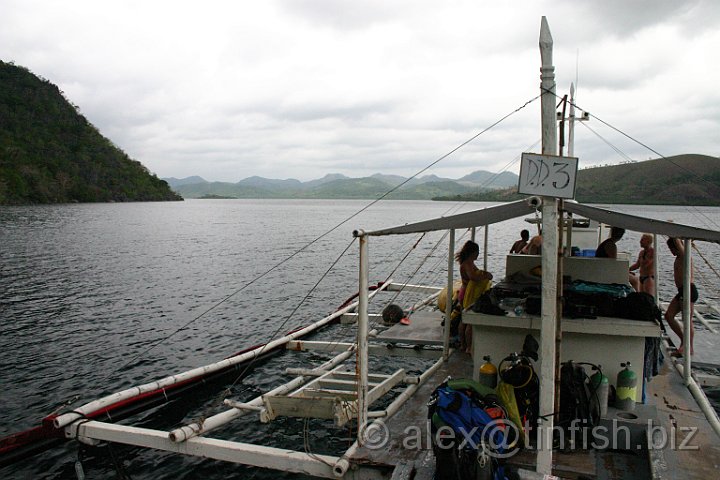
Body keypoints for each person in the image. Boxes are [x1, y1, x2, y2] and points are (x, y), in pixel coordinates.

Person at [455, 241, 493, 354]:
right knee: (469, 321)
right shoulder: (467, 264)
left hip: (465, 292)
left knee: (464, 320)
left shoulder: (469, 262)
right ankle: (468, 347)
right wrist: (486, 275)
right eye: (477, 252)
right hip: (467, 294)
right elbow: (473, 277)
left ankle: (463, 345)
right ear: (472, 252)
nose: (478, 254)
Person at [665, 237, 698, 356]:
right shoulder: (679, 257)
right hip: (681, 291)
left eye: (671, 248)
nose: (671, 251)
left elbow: (677, 241)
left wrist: (671, 231)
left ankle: (689, 348)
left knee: (687, 320)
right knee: (668, 316)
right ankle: (684, 341)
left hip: (689, 290)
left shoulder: (685, 254)